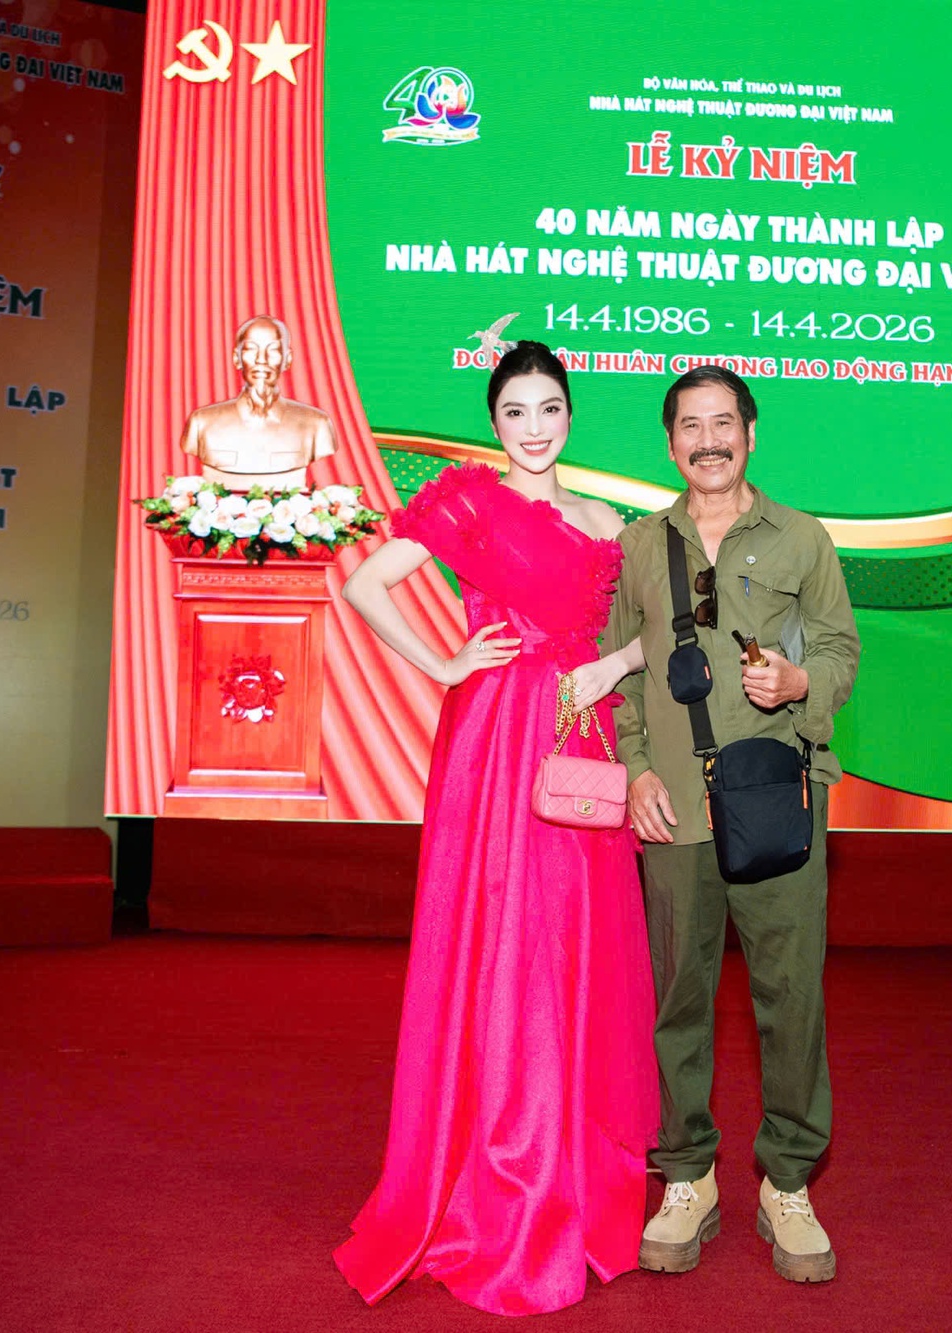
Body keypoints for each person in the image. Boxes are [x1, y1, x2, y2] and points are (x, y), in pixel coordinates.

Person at [332, 342, 657, 1315]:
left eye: (548, 407)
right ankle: (498, 1183)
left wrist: (613, 665)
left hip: (579, 735)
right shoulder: (469, 501)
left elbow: (655, 630)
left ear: (570, 413)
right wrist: (441, 663)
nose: (533, 426)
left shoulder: (605, 520)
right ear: (494, 421)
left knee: (574, 949)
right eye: (515, 410)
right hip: (496, 732)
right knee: (502, 942)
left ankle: (570, 1175)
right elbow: (364, 584)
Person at [605, 365, 860, 1284]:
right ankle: (688, 1175)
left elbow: (839, 647)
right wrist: (634, 768)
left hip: (777, 801)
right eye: (690, 425)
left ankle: (788, 1182)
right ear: (670, 442)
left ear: (751, 433)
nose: (708, 440)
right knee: (678, 998)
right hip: (673, 805)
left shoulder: (801, 537)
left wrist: (799, 682)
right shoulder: (640, 545)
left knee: (791, 998)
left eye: (724, 423)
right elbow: (619, 670)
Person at [179, 315, 335, 491]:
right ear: (237, 358)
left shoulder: (316, 424)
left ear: (287, 359)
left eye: (273, 350)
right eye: (251, 349)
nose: (262, 359)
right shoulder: (202, 422)